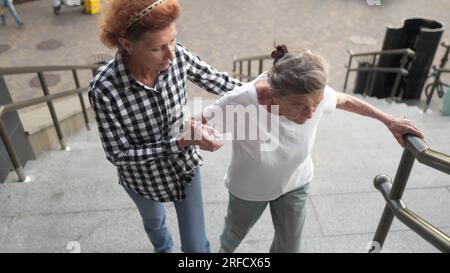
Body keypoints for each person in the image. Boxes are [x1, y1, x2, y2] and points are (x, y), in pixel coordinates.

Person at [202, 45, 424, 253]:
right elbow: (197, 123)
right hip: (249, 188)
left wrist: (389, 121)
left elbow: (345, 100)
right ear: (275, 95)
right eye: (299, 107)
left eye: (316, 105)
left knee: (290, 247)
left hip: (296, 182)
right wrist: (203, 136)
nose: (310, 114)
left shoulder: (315, 92)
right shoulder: (241, 100)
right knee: (233, 236)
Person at [88, 0, 239, 253]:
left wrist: (267, 90)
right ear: (127, 45)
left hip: (184, 169)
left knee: (196, 247)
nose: (171, 55)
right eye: (158, 48)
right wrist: (181, 142)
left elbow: (221, 83)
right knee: (155, 223)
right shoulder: (104, 88)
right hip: (141, 178)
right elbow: (118, 154)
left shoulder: (177, 55)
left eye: (172, 40)